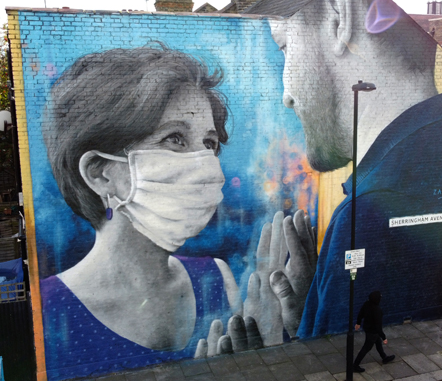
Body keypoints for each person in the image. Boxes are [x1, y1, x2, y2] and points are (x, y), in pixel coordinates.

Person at [39, 44, 315, 379]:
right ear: (100, 173)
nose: (206, 166)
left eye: (209, 143)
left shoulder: (216, 277)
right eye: (175, 138)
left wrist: (274, 347)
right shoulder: (47, 310)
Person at [247, 0, 442, 338]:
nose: (286, 96)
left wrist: (290, 342)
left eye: (285, 46)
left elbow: (334, 359)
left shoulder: (364, 215)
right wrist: (312, 314)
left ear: (338, 14)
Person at [352, 291, 395, 373]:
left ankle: (384, 357)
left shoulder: (366, 304)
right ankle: (355, 365)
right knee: (366, 348)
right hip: (373, 331)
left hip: (367, 328)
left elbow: (360, 314)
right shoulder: (377, 310)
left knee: (378, 342)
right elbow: (378, 326)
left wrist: (358, 323)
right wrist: (384, 337)